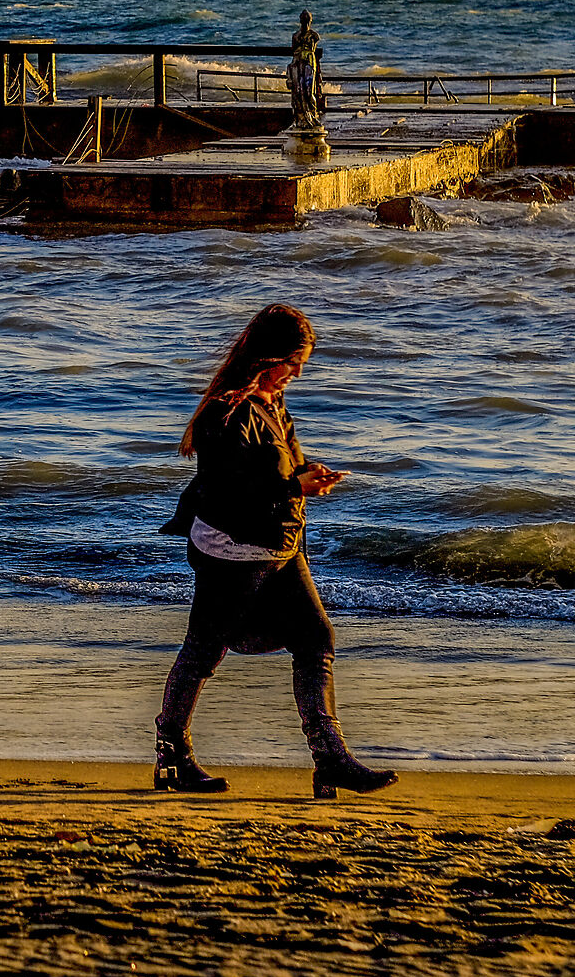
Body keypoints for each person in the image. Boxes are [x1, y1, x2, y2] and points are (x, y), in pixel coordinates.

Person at [153, 304, 398, 799]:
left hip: (281, 545)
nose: (299, 373)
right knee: (204, 651)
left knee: (316, 639)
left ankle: (330, 758)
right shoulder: (225, 412)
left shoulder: (272, 403)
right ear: (269, 356)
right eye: (294, 362)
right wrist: (294, 487)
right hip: (233, 547)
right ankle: (173, 757)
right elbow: (230, 490)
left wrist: (312, 473)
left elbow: (287, 463)